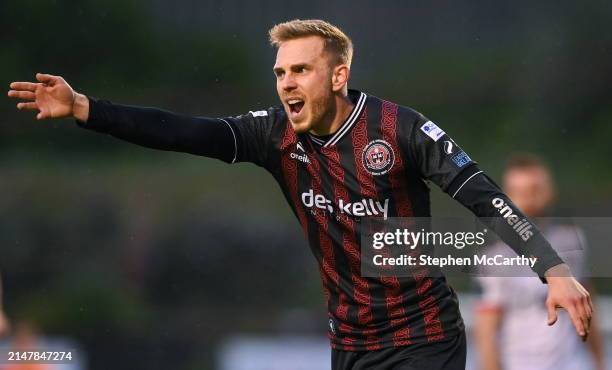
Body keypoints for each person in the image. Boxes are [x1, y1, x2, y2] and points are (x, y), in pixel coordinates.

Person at [7, 19, 592, 370]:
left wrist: (553, 267)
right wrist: (87, 108)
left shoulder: (398, 129)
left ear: (336, 76)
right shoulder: (273, 135)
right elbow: (186, 132)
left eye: (301, 70)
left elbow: (483, 194)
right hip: (350, 341)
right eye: (281, 71)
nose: (287, 81)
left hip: (424, 336)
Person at [473, 155, 605, 370]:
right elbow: (486, 332)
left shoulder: (572, 241)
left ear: (550, 191)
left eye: (535, 190)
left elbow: (589, 308)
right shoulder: (493, 256)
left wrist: (600, 362)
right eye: (520, 192)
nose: (528, 200)